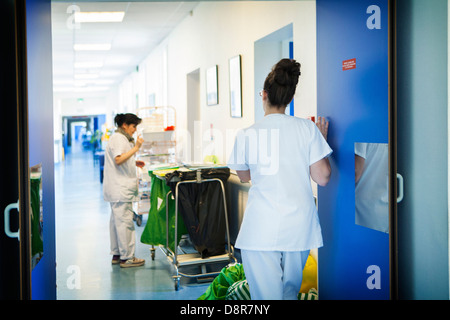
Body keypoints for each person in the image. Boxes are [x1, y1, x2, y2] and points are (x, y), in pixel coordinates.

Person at [227, 59, 332, 299]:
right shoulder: (307, 129)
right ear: (290, 99)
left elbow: (244, 176)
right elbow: (323, 177)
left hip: (261, 228)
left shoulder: (246, 134)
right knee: (289, 292)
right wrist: (318, 144)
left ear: (263, 94)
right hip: (298, 227)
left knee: (266, 298)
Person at [103, 113, 146, 268]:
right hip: (120, 189)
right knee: (125, 223)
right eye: (133, 126)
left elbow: (121, 159)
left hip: (117, 188)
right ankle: (127, 258)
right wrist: (136, 148)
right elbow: (119, 159)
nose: (135, 130)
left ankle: (117, 254)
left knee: (116, 222)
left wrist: (134, 163)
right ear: (125, 125)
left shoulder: (119, 138)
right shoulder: (119, 138)